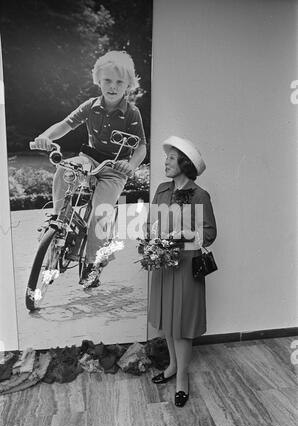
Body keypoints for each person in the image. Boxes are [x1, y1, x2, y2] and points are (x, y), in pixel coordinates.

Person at [33, 50, 147, 287]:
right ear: (98, 80)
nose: (113, 87)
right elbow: (66, 124)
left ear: (128, 84)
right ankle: (59, 219)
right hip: (90, 158)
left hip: (114, 168)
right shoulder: (91, 106)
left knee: (101, 212)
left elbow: (142, 146)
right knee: (65, 169)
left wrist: (131, 164)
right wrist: (45, 136)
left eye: (119, 82)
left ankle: (92, 264)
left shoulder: (131, 113)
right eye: (107, 81)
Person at [148, 136, 217, 407]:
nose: (165, 162)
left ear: (185, 164)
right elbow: (152, 222)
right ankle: (173, 366)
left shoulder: (200, 195)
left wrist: (188, 233)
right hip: (164, 264)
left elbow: (209, 233)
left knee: (182, 325)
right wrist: (152, 234)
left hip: (187, 266)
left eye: (171, 158)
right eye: (166, 158)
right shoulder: (162, 190)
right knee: (168, 319)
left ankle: (182, 380)